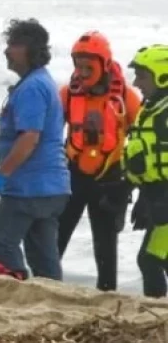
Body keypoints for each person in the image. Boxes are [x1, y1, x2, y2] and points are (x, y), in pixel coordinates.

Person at [0, 18, 70, 280]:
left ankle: (17, 290)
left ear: (32, 50)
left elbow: (29, 138)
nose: (7, 50)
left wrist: (2, 174)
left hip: (29, 187)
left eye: (14, 44)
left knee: (2, 243)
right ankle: (53, 299)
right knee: (44, 256)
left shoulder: (32, 87)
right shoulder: (42, 82)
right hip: (53, 187)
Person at [56, 31, 141, 292]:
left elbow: (142, 141)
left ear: (104, 64)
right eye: (77, 65)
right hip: (73, 176)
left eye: (87, 66)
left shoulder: (126, 98)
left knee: (105, 246)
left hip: (110, 179)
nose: (81, 73)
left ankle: (107, 293)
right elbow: (49, 135)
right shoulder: (66, 95)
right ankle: (44, 284)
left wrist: (133, 181)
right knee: (56, 237)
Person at [123, 44, 168, 297]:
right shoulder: (151, 108)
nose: (136, 82)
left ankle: (156, 313)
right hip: (156, 195)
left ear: (162, 75)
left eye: (142, 75)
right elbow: (147, 158)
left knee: (150, 259)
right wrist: (141, 195)